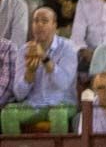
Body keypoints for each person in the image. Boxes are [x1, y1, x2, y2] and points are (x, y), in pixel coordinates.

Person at [3, 7, 77, 135]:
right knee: (8, 113)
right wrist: (29, 73)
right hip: (35, 104)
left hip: (63, 103)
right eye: (36, 21)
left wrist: (44, 58)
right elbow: (19, 94)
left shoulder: (68, 47)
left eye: (44, 21)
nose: (39, 25)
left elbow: (63, 83)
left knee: (58, 113)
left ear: (55, 26)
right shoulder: (24, 50)